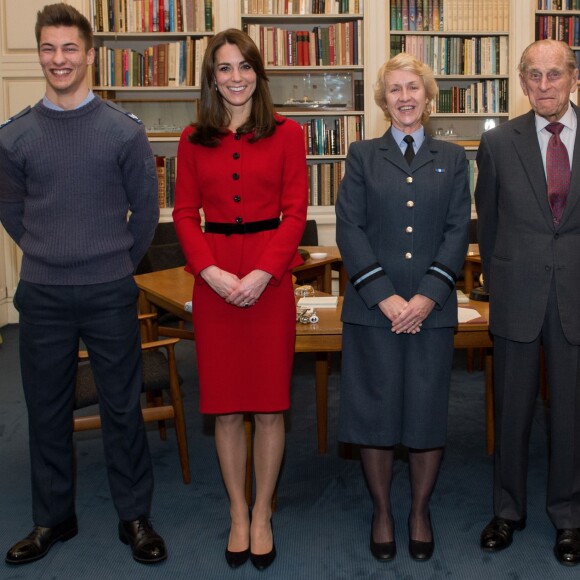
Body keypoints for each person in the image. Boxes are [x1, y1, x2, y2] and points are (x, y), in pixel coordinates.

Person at [0, 3, 166, 565]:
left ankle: (134, 517)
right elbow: (10, 208)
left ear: (90, 55)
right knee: (45, 410)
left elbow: (146, 214)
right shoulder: (15, 134)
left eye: (70, 48)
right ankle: (52, 519)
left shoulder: (123, 131)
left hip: (109, 289)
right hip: (43, 293)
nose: (59, 59)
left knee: (122, 408)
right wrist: (51, 253)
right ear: (39, 53)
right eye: (48, 48)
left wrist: (112, 260)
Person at [172, 29, 307, 571]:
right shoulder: (190, 138)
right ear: (212, 77)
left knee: (271, 407)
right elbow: (184, 214)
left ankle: (263, 512)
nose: (235, 77)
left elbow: (297, 212)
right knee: (226, 410)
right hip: (214, 283)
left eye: (244, 66)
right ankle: (236, 511)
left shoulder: (289, 133)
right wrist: (209, 271)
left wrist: (262, 273)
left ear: (259, 73)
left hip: (269, 282)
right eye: (224, 68)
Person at [335, 52, 471, 562]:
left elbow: (459, 231)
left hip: (431, 310)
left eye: (413, 87)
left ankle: (417, 510)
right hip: (375, 310)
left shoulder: (453, 158)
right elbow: (349, 229)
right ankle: (382, 512)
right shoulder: (361, 155)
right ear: (382, 99)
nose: (405, 97)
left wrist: (427, 296)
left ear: (429, 96)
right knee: (374, 413)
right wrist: (386, 297)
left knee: (426, 413)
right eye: (395, 89)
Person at [475, 39, 580, 566]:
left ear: (573, 76)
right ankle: (507, 510)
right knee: (511, 411)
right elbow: (488, 223)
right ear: (521, 81)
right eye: (533, 76)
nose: (544, 86)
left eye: (554, 75)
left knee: (571, 414)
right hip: (516, 297)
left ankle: (568, 515)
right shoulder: (498, 144)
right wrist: (500, 285)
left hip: (577, 298)